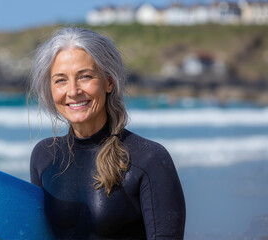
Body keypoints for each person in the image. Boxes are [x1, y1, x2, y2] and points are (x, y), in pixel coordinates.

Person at [28, 28, 186, 239]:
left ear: (109, 82)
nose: (73, 91)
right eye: (61, 80)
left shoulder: (149, 158)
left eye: (85, 76)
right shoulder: (45, 156)